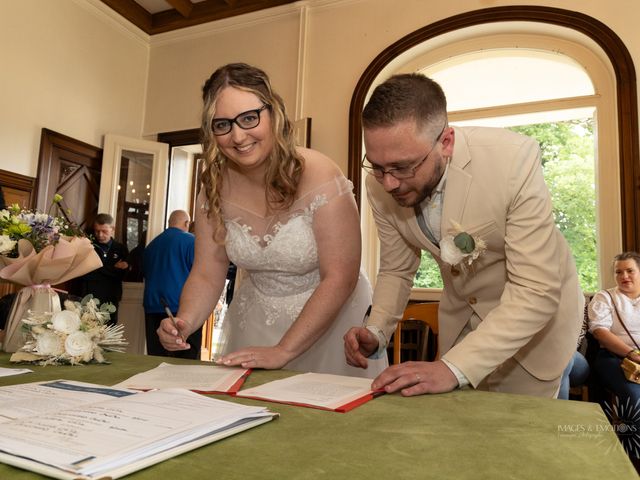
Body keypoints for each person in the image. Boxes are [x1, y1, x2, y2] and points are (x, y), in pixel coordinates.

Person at [344, 73, 583, 397]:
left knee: (525, 440)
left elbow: (535, 288)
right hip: (461, 326)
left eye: (402, 167)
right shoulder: (380, 184)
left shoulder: (513, 161)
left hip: (536, 334)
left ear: (446, 142)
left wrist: (451, 368)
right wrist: (377, 329)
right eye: (377, 166)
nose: (388, 183)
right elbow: (397, 269)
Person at [158, 63, 387, 378]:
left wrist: (284, 351)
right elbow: (207, 274)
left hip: (332, 320)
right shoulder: (212, 186)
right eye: (222, 125)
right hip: (256, 321)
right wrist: (184, 321)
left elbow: (340, 276)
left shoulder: (319, 173)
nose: (238, 136)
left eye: (249, 118)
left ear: (273, 113)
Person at [143, 210, 200, 359]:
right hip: (182, 308)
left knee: (156, 358)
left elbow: (144, 272)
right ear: (187, 223)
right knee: (186, 358)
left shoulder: (151, 245)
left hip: (153, 305)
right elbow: (200, 274)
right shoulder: (191, 241)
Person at [588, 252, 640, 414]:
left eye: (630, 271)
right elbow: (600, 331)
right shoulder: (605, 297)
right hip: (615, 358)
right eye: (618, 272)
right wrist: (632, 354)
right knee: (636, 396)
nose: (624, 276)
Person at [76, 213, 128, 325]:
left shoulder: (121, 249)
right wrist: (111, 269)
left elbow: (122, 275)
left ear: (112, 229)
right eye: (97, 231)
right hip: (89, 296)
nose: (100, 235)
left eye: (104, 231)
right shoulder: (89, 246)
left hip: (111, 297)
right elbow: (84, 273)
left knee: (109, 332)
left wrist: (96, 267)